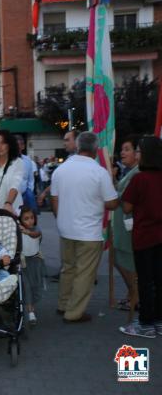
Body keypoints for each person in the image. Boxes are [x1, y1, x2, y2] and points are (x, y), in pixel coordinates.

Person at [51, 131, 118, 323]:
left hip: (66, 228)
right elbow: (112, 203)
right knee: (84, 274)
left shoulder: (61, 170)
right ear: (95, 149)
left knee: (68, 269)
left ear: (78, 146)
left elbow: (54, 199)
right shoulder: (99, 172)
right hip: (89, 231)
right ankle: (74, 312)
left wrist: (61, 218)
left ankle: (63, 304)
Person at [119, 136, 162, 338]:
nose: (136, 154)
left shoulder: (140, 179)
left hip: (144, 236)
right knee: (160, 280)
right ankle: (159, 321)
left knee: (145, 281)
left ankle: (145, 323)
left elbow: (126, 206)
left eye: (138, 151)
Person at [112, 135, 141, 312]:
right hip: (122, 224)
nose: (123, 153)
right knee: (119, 259)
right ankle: (132, 293)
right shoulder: (129, 172)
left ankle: (135, 296)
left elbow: (124, 199)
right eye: (122, 149)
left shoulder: (137, 173)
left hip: (128, 225)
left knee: (127, 262)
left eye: (127, 149)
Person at [18, 206, 45, 325]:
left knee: (36, 287)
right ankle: (30, 312)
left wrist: (27, 231)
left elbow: (35, 234)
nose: (30, 221)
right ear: (20, 221)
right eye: (26, 219)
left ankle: (31, 305)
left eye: (32, 218)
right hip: (23, 263)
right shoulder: (17, 232)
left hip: (35, 262)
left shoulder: (36, 229)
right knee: (26, 286)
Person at [37, 130, 78, 206]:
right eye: (64, 140)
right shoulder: (70, 159)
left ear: (77, 141)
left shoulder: (80, 160)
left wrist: (44, 193)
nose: (64, 144)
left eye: (67, 140)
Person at [16, 135, 38, 214]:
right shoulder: (7, 159)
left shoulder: (27, 160)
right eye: (15, 145)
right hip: (12, 195)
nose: (17, 147)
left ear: (23, 146)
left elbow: (30, 178)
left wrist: (29, 190)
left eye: (20, 145)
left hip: (25, 193)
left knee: (29, 214)